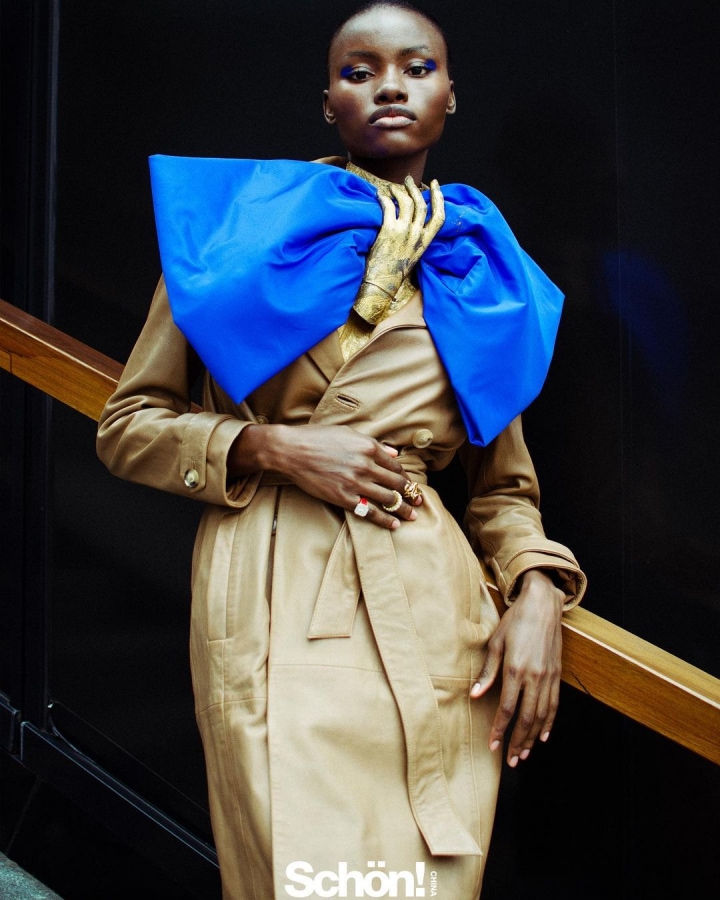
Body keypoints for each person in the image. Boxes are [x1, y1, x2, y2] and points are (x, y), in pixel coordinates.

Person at [97, 2, 586, 898]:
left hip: (433, 614)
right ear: (328, 103)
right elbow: (128, 426)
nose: (390, 87)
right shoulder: (235, 241)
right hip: (273, 584)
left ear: (449, 96)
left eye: (416, 68)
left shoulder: (486, 273)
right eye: (359, 72)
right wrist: (271, 448)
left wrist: (539, 592)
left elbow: (503, 493)